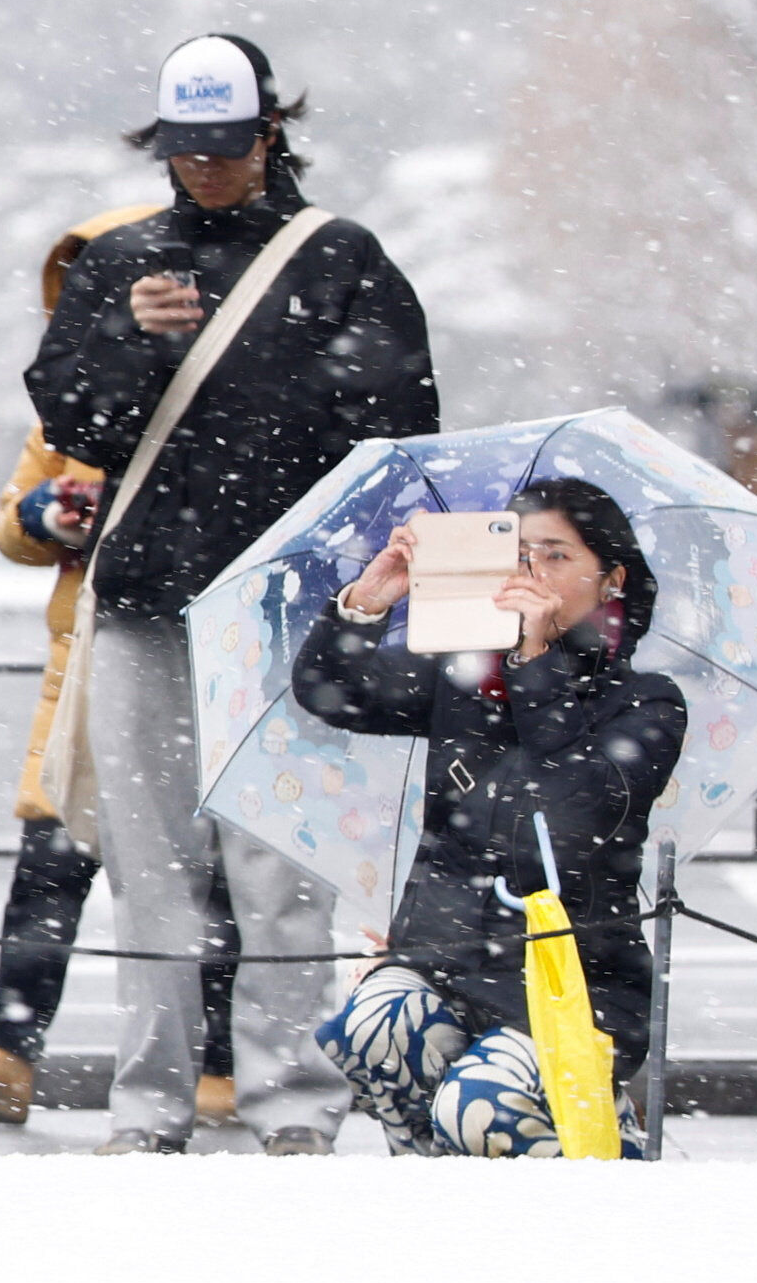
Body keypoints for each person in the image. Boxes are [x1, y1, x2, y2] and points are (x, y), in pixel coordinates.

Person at [25, 31, 438, 1153]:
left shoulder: (335, 254)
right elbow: (71, 420)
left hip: (282, 609)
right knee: (144, 868)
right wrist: (128, 341)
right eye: (183, 148)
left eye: (224, 145)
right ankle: (144, 1108)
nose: (202, 168)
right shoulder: (120, 263)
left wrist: (272, 370)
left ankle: (294, 1106)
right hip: (148, 599)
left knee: (282, 869)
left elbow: (395, 425)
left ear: (270, 132)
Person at [0, 199, 238, 1130]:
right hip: (85, 656)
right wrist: (46, 519)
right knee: (52, 853)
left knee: (198, 861)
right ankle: (10, 1054)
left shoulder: (221, 386)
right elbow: (14, 520)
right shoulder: (74, 398)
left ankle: (214, 1062)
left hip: (186, 648)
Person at [290, 480, 687, 1156]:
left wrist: (536, 663)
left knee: (482, 1105)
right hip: (446, 958)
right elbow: (333, 692)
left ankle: (585, 1153)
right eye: (519, 555)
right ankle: (436, 1176)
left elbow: (568, 819)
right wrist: (367, 602)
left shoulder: (646, 703)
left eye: (556, 556)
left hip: (573, 982)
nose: (531, 574)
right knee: (377, 1021)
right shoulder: (466, 673)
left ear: (613, 577)